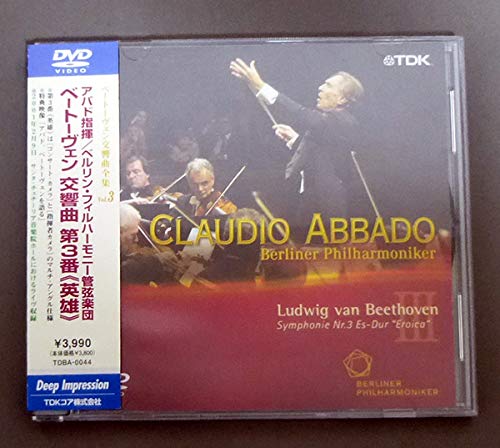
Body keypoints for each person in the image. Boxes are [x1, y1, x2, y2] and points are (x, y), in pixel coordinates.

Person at [230, 59, 364, 224]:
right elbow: (321, 156)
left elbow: (299, 114)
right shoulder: (328, 124)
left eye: (328, 85)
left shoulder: (344, 120)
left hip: (327, 209)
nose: (320, 87)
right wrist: (294, 139)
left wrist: (260, 85)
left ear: (342, 99)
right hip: (311, 202)